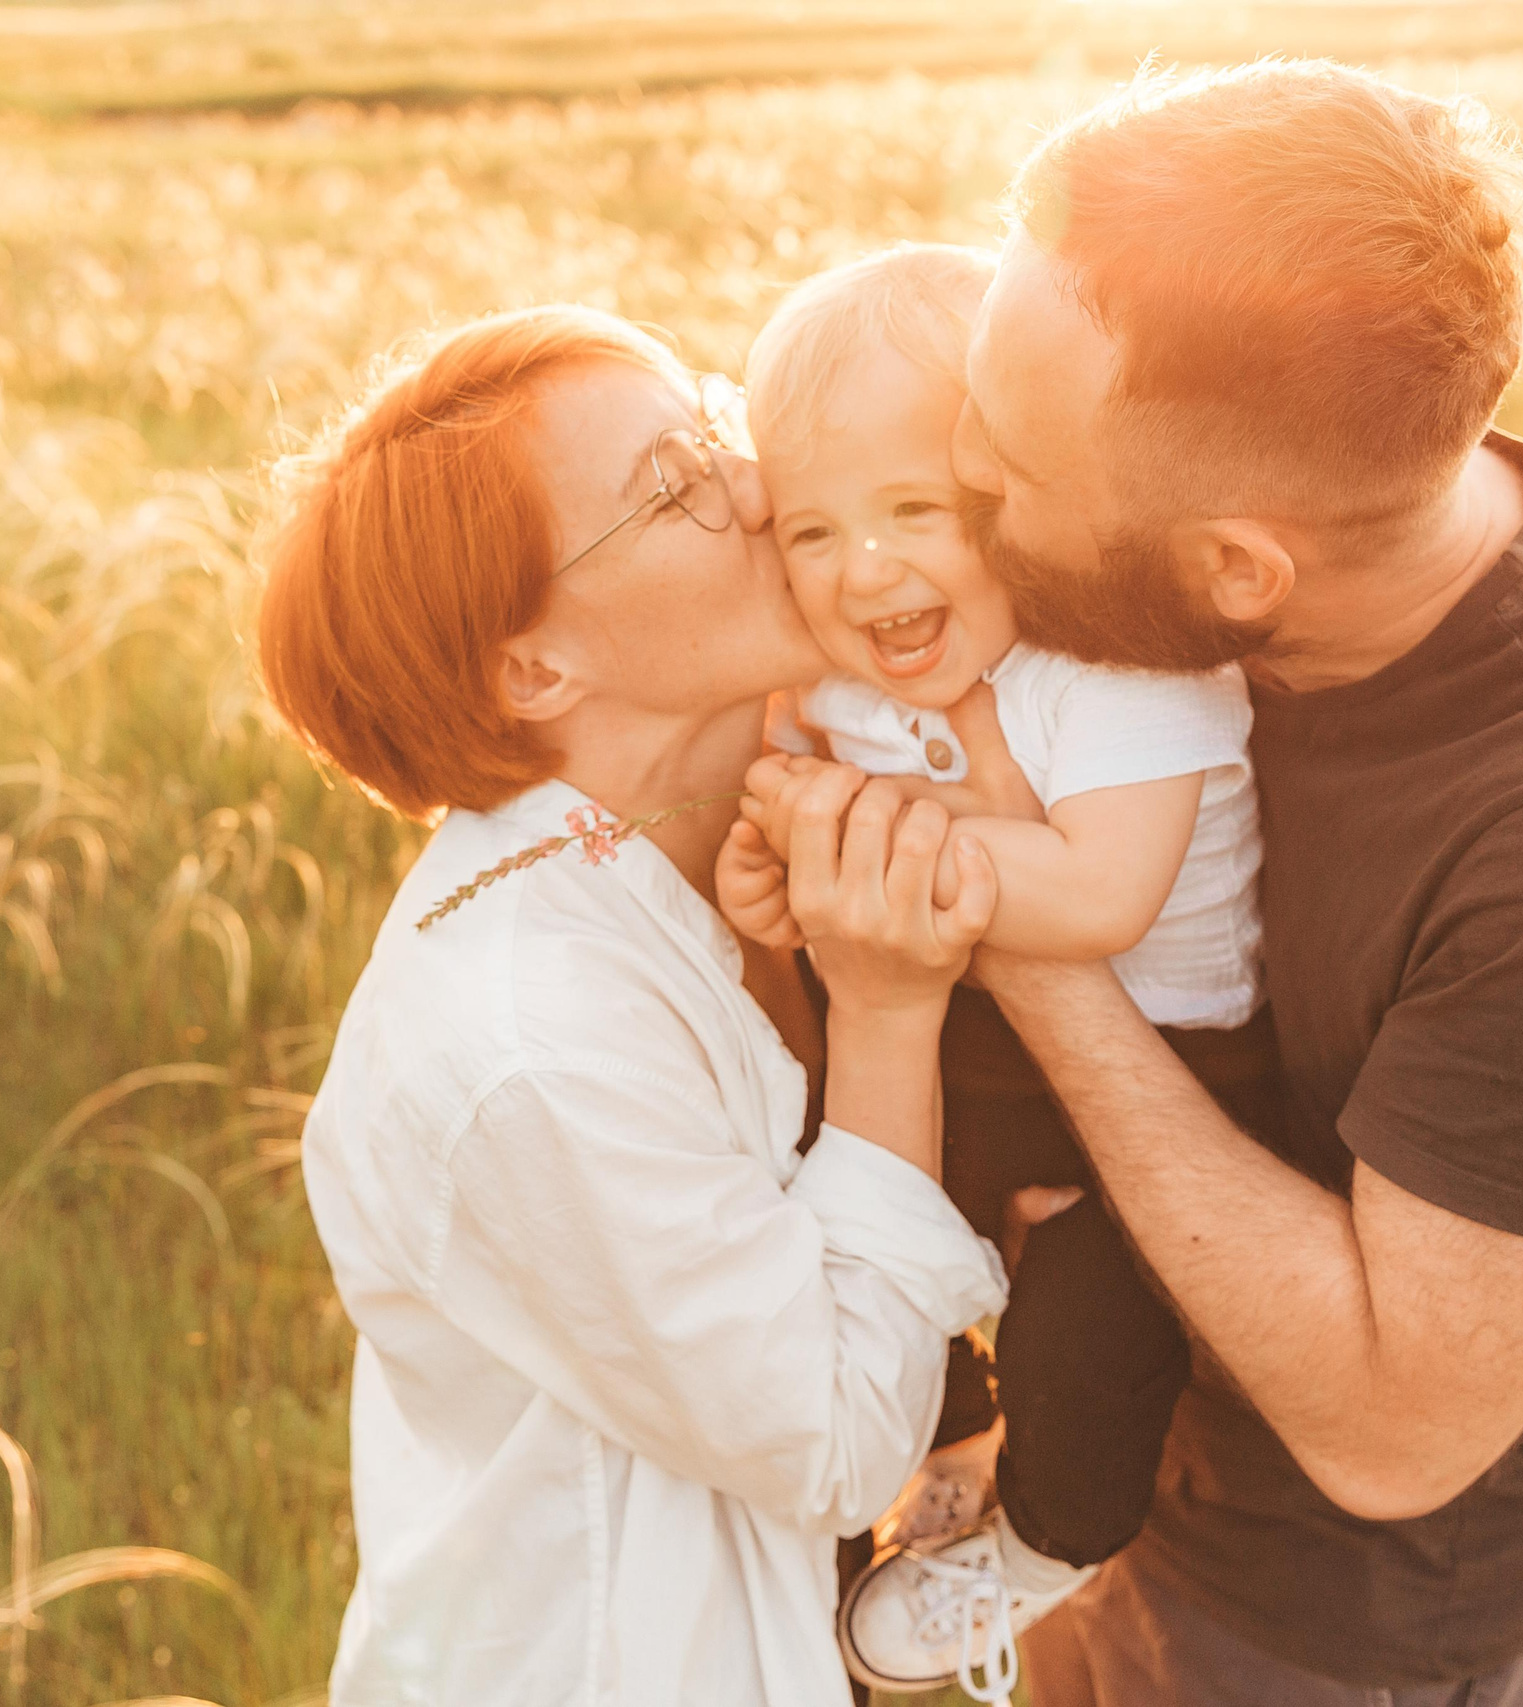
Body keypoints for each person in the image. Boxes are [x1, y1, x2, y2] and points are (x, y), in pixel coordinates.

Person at [757, 60, 1523, 1706]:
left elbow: (1395, 1427)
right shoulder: (1188, 582)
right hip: (1110, 1453)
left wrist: (1016, 942)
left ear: (1237, 572)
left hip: (1336, 1628)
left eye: (1002, 475)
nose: (959, 470)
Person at [255, 303, 1010, 1707]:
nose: (755, 482)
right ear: (537, 668)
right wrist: (890, 1015)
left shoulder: (770, 797)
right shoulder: (524, 1046)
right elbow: (837, 1437)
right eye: (672, 486)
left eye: (716, 423)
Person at [716, 241, 1277, 1700]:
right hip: (979, 1043)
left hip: (1183, 1064)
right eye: (815, 534)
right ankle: (941, 1432)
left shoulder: (1125, 672)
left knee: (1092, 1330)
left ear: (1026, 509)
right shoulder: (853, 678)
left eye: (919, 513)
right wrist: (783, 869)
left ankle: (1048, 1536)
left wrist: (876, 843)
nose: (869, 569)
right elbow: (794, 810)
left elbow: (1097, 892)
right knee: (854, 1206)